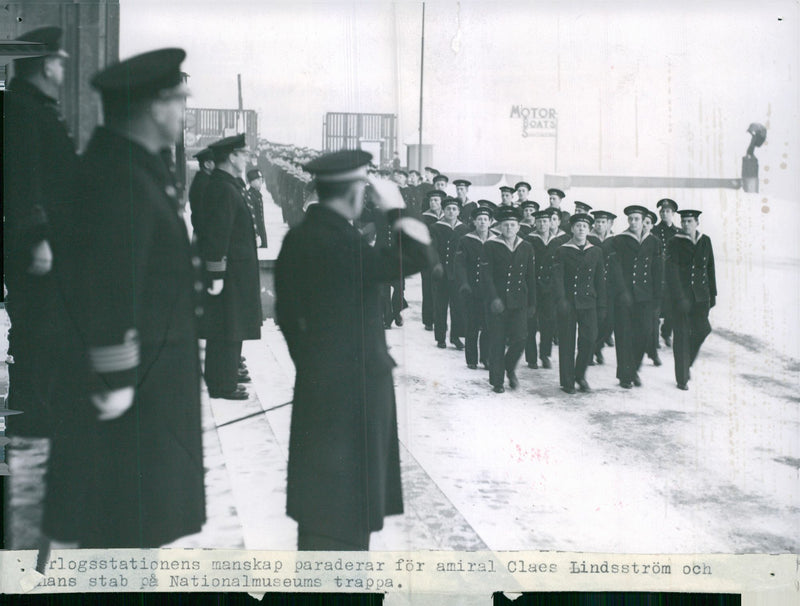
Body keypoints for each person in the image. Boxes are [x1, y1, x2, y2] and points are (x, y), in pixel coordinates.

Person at [73, 47, 205, 547]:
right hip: (134, 391)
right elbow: (107, 288)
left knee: (141, 526)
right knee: (126, 528)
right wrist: (117, 378)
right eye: (179, 101)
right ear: (155, 106)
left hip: (150, 385)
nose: (183, 113)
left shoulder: (135, 167)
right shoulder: (120, 178)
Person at [274, 149, 433, 551]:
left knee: (321, 508)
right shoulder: (344, 243)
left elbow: (288, 319)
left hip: (318, 386)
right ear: (353, 192)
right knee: (349, 508)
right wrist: (397, 208)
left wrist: (315, 365)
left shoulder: (298, 237)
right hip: (355, 395)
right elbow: (417, 256)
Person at [3, 25, 81, 550]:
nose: (63, 69)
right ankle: (32, 413)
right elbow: (23, 179)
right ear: (42, 64)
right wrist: (37, 240)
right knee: (40, 328)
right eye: (59, 61)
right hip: (36, 246)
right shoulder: (21, 111)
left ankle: (35, 409)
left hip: (46, 242)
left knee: (43, 329)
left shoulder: (34, 106)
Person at [200, 133, 262, 399]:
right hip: (229, 272)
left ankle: (223, 378)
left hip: (236, 270)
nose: (247, 158)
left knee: (230, 325)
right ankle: (221, 384)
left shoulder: (228, 185)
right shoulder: (223, 188)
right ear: (231, 157)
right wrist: (216, 272)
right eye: (243, 154)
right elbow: (217, 235)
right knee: (226, 326)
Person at [482, 207, 536, 393]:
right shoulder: (491, 245)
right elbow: (486, 275)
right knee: (496, 340)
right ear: (500, 226)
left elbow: (530, 276)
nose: (509, 228)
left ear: (518, 226)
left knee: (521, 338)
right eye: (505, 225)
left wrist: (532, 303)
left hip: (519, 301)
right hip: (497, 302)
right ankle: (497, 381)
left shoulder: (526, 246)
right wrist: (493, 298)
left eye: (512, 225)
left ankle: (509, 367)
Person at [611, 205, 663, 389]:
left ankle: (633, 369)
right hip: (624, 297)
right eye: (630, 219)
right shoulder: (619, 240)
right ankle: (626, 375)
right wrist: (622, 291)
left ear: (643, 221)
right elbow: (615, 268)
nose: (633, 222)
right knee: (624, 335)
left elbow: (658, 270)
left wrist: (658, 297)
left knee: (644, 333)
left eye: (637, 219)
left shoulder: (654, 242)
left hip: (645, 296)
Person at [553, 214, 606, 394]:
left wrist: (602, 305)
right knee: (567, 341)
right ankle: (567, 381)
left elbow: (600, 280)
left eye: (584, 226)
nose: (581, 229)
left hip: (588, 302)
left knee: (590, 339)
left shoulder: (596, 251)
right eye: (578, 226)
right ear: (572, 229)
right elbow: (558, 278)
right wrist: (561, 300)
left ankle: (579, 374)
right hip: (568, 302)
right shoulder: (562, 250)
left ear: (589, 229)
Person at [665, 210, 716, 390]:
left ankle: (686, 364)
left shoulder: (705, 241)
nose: (686, 224)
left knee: (703, 329)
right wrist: (679, 298)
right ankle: (682, 378)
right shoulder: (675, 242)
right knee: (681, 336)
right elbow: (671, 273)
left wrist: (712, 295)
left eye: (689, 221)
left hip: (701, 297)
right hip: (681, 299)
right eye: (683, 221)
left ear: (697, 223)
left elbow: (710, 268)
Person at [455, 205, 493, 369]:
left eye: (485, 219)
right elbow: (460, 265)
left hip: (490, 290)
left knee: (487, 325)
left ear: (490, 222)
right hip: (472, 288)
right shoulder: (466, 240)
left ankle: (486, 358)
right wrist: (464, 283)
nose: (482, 222)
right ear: (474, 222)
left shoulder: (496, 240)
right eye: (479, 220)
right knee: (472, 324)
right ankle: (471, 358)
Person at [430, 197, 470, 348]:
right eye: (448, 209)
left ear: (459, 211)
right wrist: (436, 265)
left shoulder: (464, 229)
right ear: (443, 210)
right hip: (441, 273)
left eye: (454, 209)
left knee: (458, 306)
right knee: (440, 305)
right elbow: (432, 249)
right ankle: (440, 337)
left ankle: (455, 336)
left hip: (457, 274)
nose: (451, 212)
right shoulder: (435, 227)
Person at [523, 209, 558, 369]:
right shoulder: (529, 240)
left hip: (550, 288)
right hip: (532, 287)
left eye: (545, 221)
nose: (542, 224)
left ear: (551, 222)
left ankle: (545, 354)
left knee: (548, 322)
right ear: (535, 223)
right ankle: (531, 357)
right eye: (539, 221)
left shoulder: (557, 241)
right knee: (530, 321)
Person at [588, 210, 617, 364]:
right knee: (593, 321)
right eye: (597, 222)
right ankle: (589, 351)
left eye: (603, 222)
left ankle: (597, 348)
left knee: (610, 320)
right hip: (592, 285)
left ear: (608, 224)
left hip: (610, 286)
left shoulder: (614, 241)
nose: (599, 225)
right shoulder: (588, 238)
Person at [653, 198, 681, 347]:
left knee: (672, 306)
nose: (664, 214)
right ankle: (654, 335)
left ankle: (666, 332)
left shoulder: (678, 232)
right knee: (656, 306)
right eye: (662, 211)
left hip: (672, 274)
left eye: (667, 211)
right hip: (657, 273)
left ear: (673, 213)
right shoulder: (654, 230)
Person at [420, 190, 445, 331]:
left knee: (440, 289)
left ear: (441, 202)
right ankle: (428, 319)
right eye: (431, 200)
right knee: (428, 288)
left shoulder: (446, 216)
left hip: (442, 258)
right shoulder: (424, 217)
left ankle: (439, 318)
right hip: (427, 257)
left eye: (436, 200)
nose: (433, 203)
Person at [643, 209, 663, 366]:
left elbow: (658, 268)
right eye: (643, 222)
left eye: (648, 223)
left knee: (653, 321)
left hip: (651, 289)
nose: (644, 225)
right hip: (635, 291)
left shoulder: (655, 242)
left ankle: (653, 352)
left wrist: (658, 290)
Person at [188, 147, 214, 235]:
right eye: (216, 162)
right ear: (207, 164)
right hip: (205, 234)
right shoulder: (204, 184)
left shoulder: (204, 180)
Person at [245, 168, 269, 248]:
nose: (261, 182)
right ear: (251, 182)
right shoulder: (250, 196)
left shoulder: (257, 195)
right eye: (258, 180)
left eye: (261, 179)